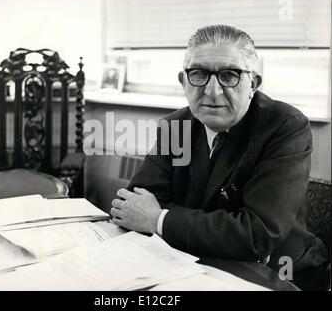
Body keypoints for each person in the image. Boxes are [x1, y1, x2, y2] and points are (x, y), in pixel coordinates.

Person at [110, 25, 329, 290]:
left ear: (254, 84)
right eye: (199, 74)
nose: (212, 92)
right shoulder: (174, 127)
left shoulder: (285, 126)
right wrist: (221, 225)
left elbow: (256, 235)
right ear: (183, 81)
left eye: (229, 75)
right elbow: (132, 208)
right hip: (189, 264)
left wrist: (160, 218)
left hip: (279, 271)